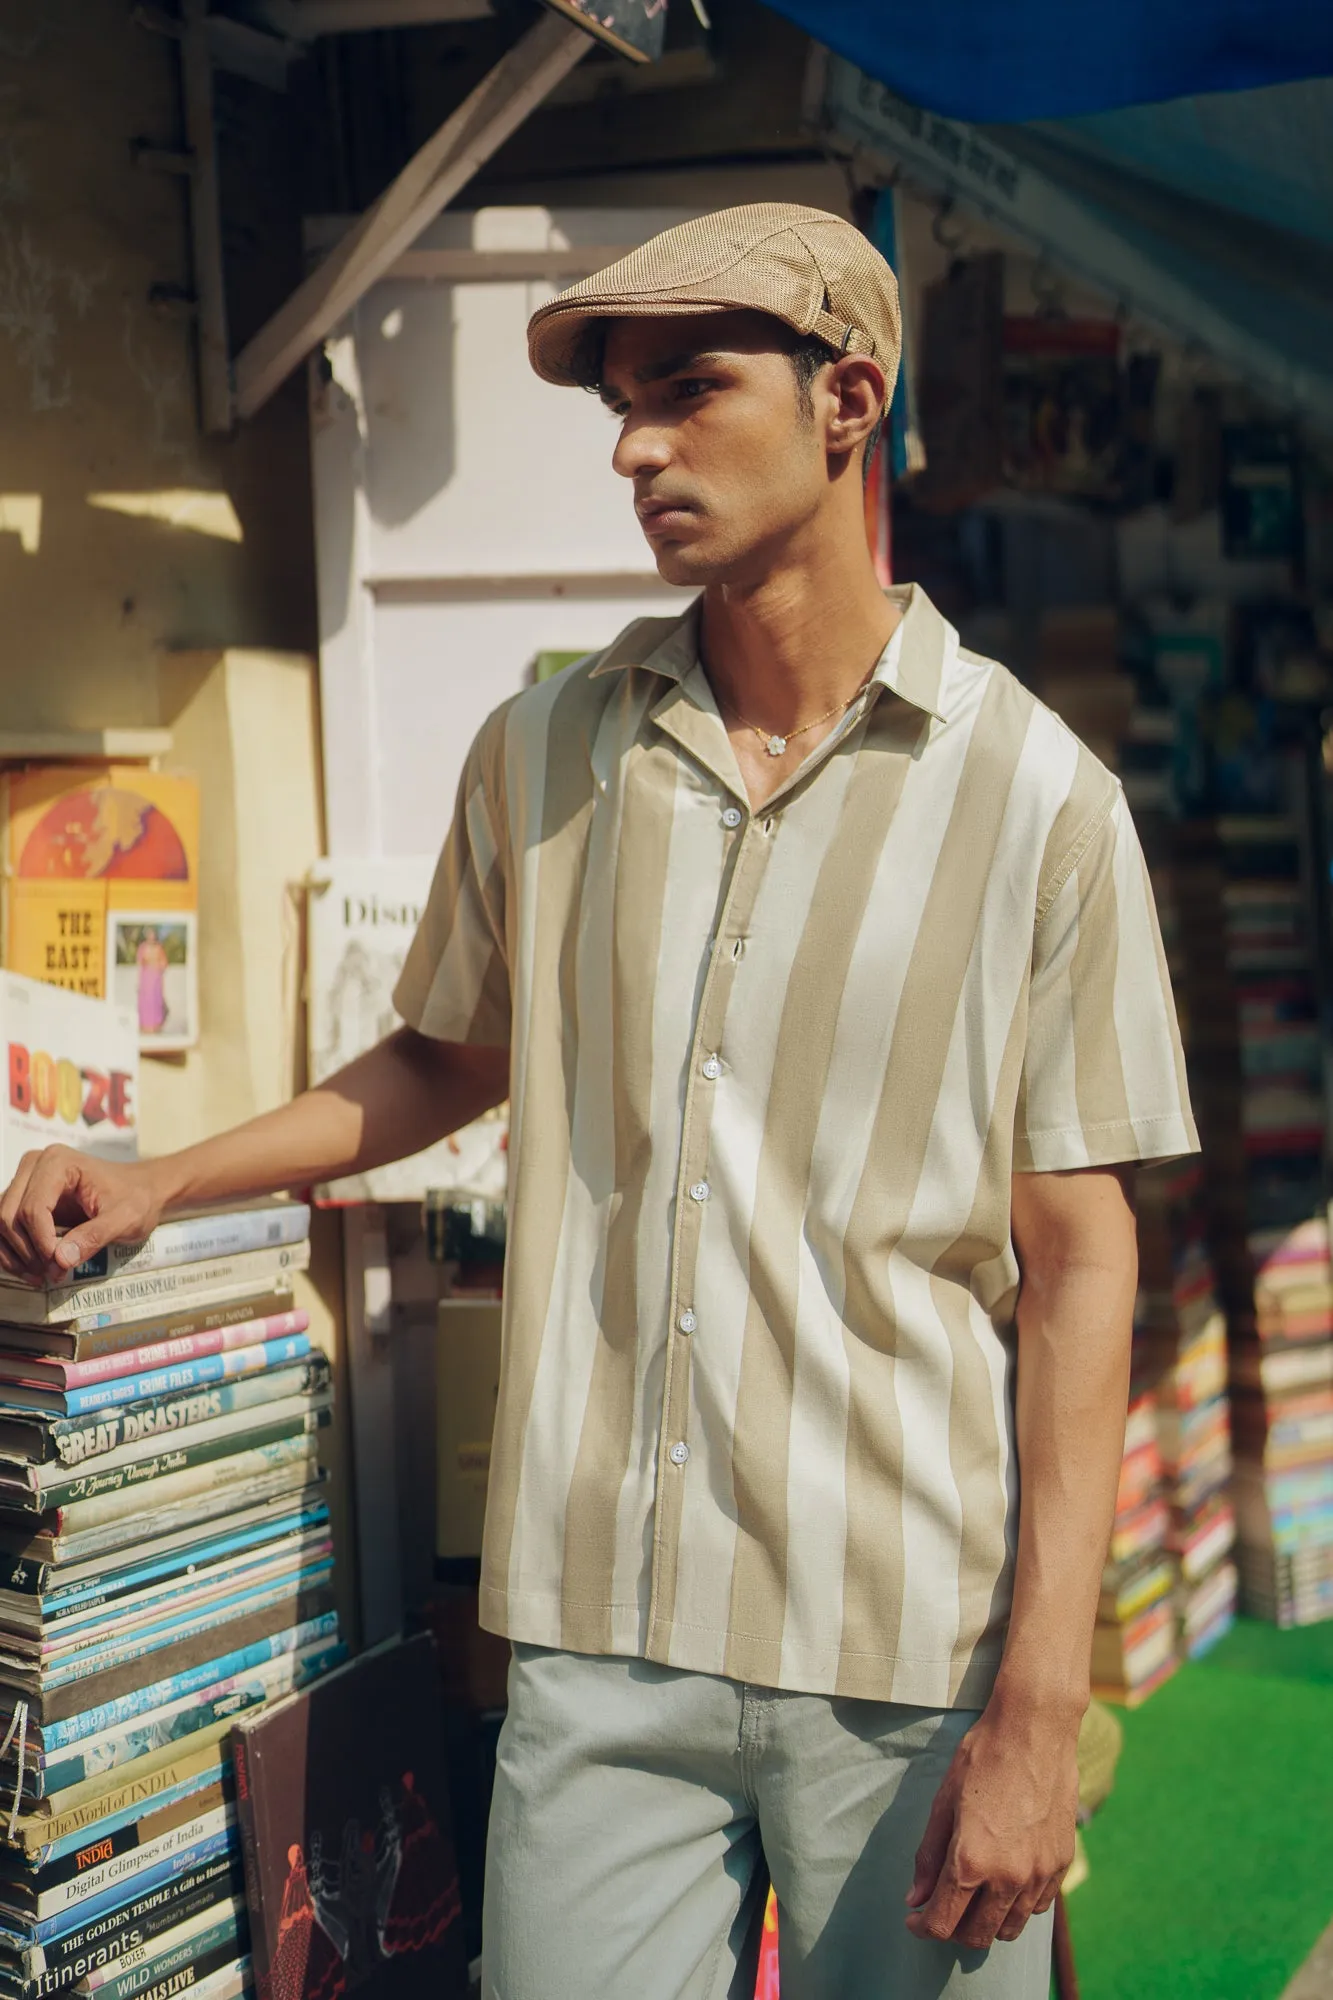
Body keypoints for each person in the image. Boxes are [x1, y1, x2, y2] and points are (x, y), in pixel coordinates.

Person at [0, 205, 1196, 2000]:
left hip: (899, 1644)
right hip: (598, 1632)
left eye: (690, 390)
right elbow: (446, 1057)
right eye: (620, 405)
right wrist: (169, 1172)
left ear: (847, 399)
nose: (636, 444)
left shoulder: (1043, 803)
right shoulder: (546, 751)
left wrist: (1040, 1698)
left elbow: (1080, 1256)